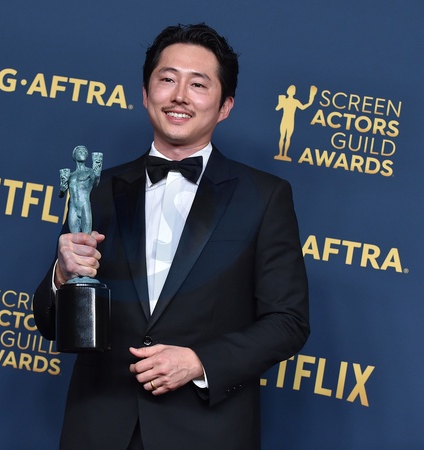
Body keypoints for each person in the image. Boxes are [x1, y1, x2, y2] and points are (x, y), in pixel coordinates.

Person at [34, 23, 309, 450]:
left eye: (198, 84)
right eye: (167, 79)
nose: (179, 96)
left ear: (225, 106)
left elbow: (288, 322)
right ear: (146, 94)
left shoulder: (265, 197)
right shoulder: (96, 191)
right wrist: (62, 277)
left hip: (205, 433)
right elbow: (51, 324)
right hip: (99, 428)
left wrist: (200, 362)